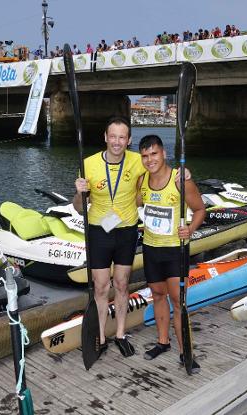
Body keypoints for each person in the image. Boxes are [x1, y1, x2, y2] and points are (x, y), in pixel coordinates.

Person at [74, 117, 145, 358]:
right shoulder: (88, 164)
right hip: (98, 231)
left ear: (129, 140)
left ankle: (122, 334)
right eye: (112, 136)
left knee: (122, 284)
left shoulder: (138, 161)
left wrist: (182, 175)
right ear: (105, 137)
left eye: (122, 137)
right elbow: (79, 209)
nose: (117, 142)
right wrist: (79, 193)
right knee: (102, 287)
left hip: (126, 231)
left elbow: (159, 175)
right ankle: (101, 337)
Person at [136, 135, 206, 371]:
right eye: (145, 156)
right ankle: (163, 342)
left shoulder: (180, 181)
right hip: (151, 248)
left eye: (154, 154)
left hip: (175, 250)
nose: (149, 160)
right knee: (157, 295)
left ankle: (185, 351)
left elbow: (199, 210)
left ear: (163, 153)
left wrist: (191, 229)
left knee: (178, 301)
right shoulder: (141, 181)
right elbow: (134, 202)